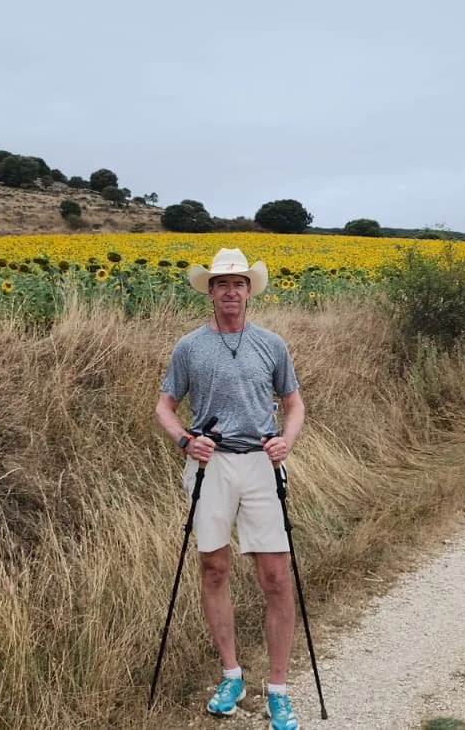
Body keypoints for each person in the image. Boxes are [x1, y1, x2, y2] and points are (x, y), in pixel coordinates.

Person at [155, 247, 307, 730]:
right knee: (214, 569)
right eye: (222, 284)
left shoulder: (271, 344)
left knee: (276, 578)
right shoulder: (189, 347)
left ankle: (278, 690)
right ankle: (232, 675)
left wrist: (287, 441)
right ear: (211, 291)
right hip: (211, 466)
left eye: (239, 284)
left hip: (262, 463)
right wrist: (184, 440)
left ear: (249, 291)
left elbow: (294, 403)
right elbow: (164, 406)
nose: (231, 292)